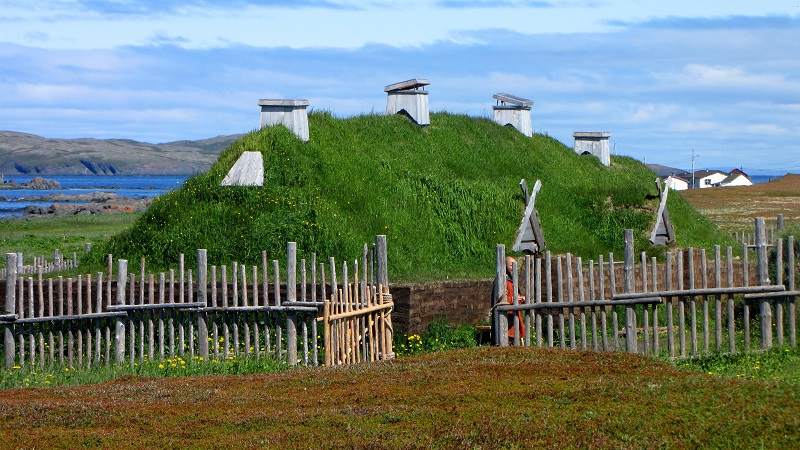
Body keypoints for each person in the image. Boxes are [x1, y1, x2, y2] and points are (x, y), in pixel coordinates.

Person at [502, 256, 526, 340]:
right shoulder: (503, 281)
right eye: (511, 265)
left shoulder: (512, 281)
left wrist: (521, 299)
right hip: (507, 316)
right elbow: (500, 299)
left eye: (514, 265)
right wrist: (512, 300)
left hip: (515, 316)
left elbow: (517, 295)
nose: (513, 268)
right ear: (506, 266)